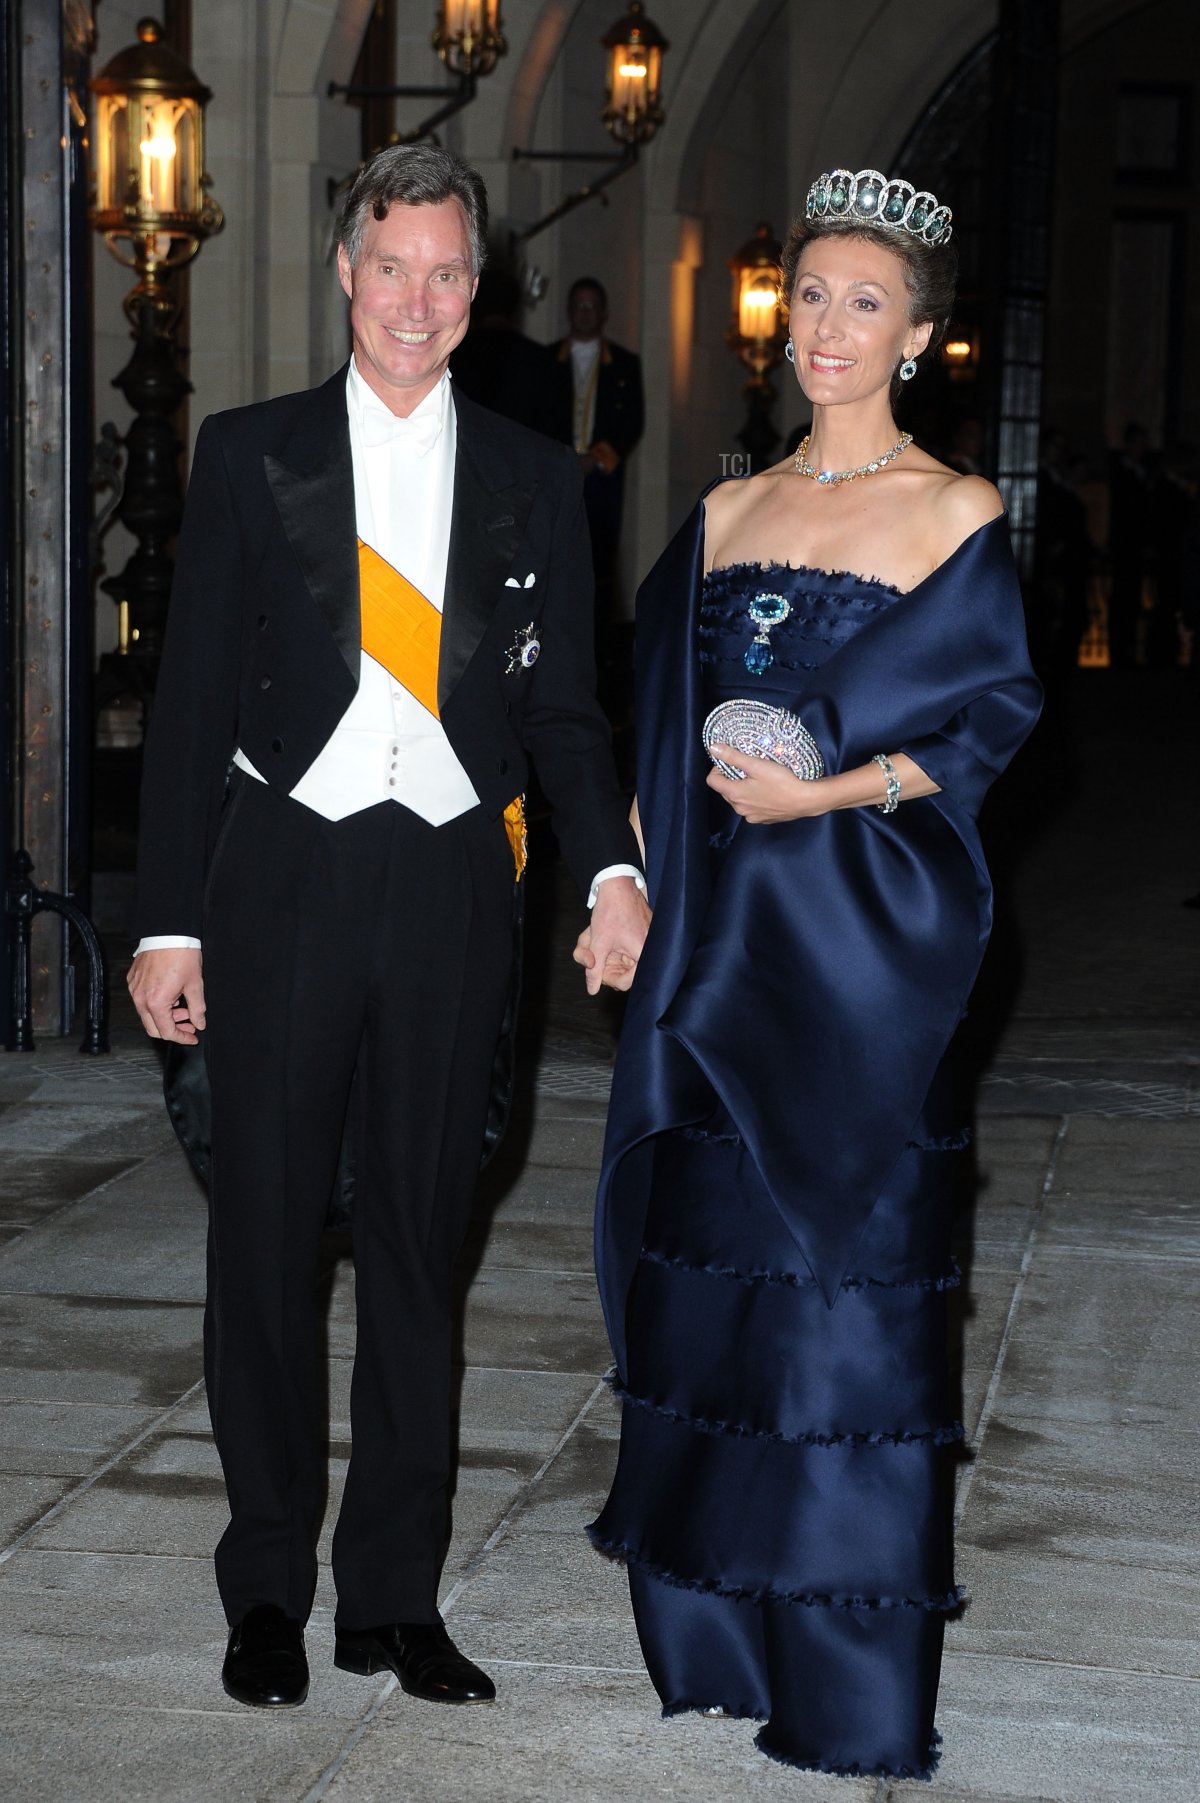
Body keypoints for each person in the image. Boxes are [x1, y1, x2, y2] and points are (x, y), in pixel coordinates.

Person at [128, 143, 649, 1712]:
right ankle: (269, 1585)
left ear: (473, 294)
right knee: (266, 1247)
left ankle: (393, 1598)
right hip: (278, 878)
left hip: (444, 891)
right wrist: (164, 921)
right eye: (390, 265)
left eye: (445, 272)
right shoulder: (248, 453)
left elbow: (568, 707)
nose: (415, 297)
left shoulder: (535, 473)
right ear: (346, 273)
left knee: (424, 1248)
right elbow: (189, 705)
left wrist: (615, 869)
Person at [580, 166, 1042, 1778]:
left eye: (866, 302)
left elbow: (979, 733)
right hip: (715, 949)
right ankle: (715, 1635)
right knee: (714, 1292)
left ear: (917, 333)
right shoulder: (725, 509)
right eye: (812, 297)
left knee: (843, 1304)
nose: (827, 327)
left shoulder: (955, 511)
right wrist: (627, 878)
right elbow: (650, 725)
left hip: (857, 946)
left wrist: (821, 790)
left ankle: (848, 1683)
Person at [541, 278, 644, 640]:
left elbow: (632, 420)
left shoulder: (625, 365)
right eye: (579, 306)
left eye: (592, 306)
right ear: (569, 311)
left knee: (598, 559)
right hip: (555, 476)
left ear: (604, 313)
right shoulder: (545, 360)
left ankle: (597, 643)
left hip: (602, 479)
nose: (585, 313)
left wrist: (596, 458)